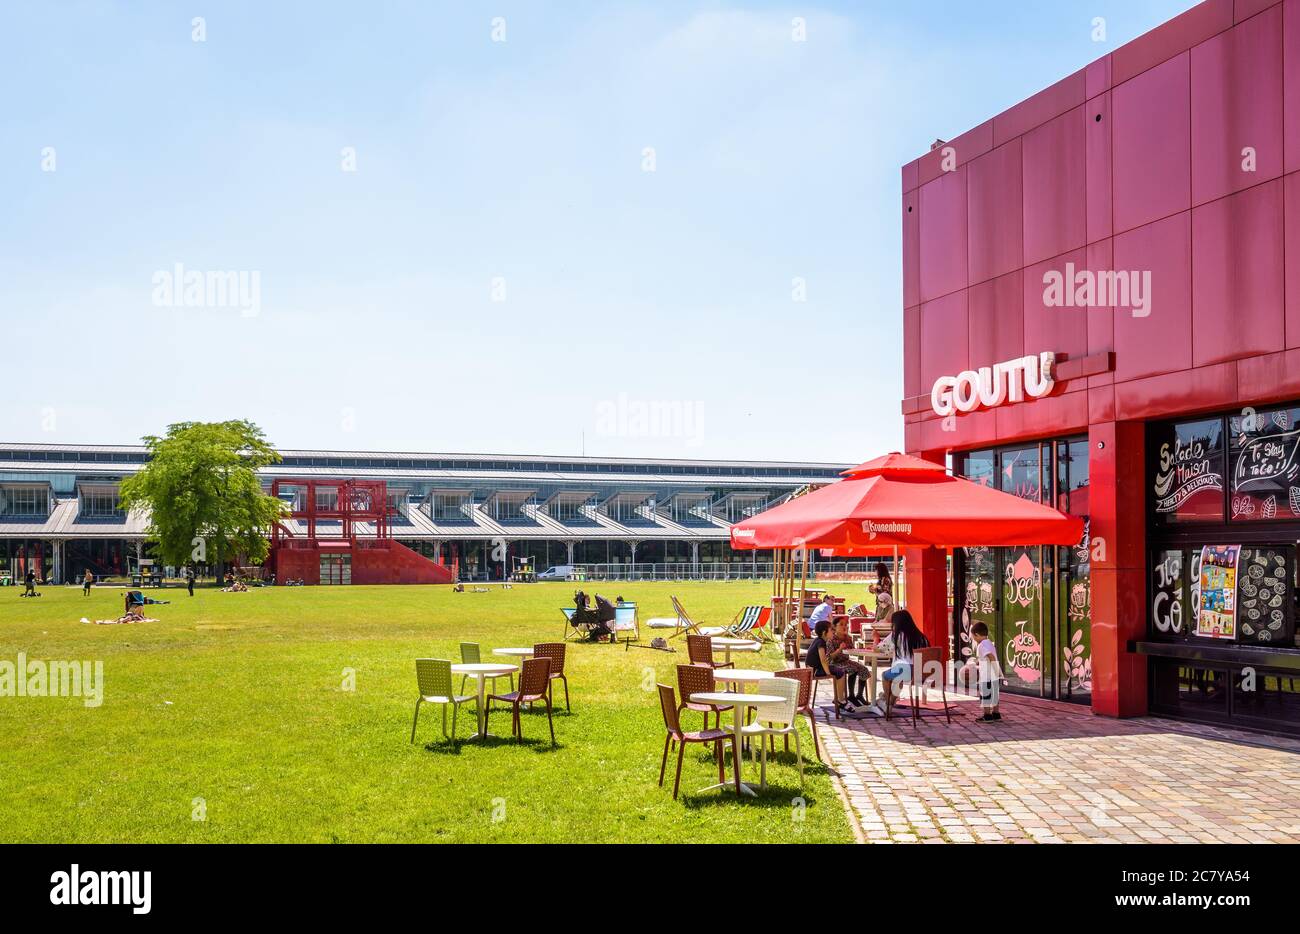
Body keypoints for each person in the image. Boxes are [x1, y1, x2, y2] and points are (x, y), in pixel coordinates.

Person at [870, 609, 928, 717]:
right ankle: (890, 702)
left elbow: (878, 649)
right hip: (921, 672)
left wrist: (875, 638)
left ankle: (887, 703)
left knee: (885, 676)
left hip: (905, 669)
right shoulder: (921, 636)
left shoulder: (897, 635)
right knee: (897, 680)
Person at [805, 618, 854, 714]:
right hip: (814, 671)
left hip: (814, 669)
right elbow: (823, 660)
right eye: (831, 629)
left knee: (839, 671)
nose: (833, 631)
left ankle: (840, 699)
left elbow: (824, 660)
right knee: (840, 672)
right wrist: (828, 674)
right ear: (824, 633)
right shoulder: (821, 643)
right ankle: (840, 699)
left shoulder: (819, 640)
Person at [827, 616, 871, 708]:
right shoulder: (831, 639)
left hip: (846, 661)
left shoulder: (848, 638)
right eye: (841, 625)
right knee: (853, 669)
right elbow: (830, 657)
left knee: (864, 669)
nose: (844, 627)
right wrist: (839, 649)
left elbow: (851, 650)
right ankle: (851, 696)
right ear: (834, 627)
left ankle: (859, 695)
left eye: (846, 625)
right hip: (835, 663)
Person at [970, 622, 1005, 723]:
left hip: (987, 676)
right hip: (994, 675)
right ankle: (996, 713)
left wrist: (995, 668)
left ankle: (987, 715)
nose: (973, 639)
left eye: (973, 637)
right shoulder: (989, 643)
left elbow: (991, 657)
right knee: (995, 695)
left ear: (976, 634)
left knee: (985, 695)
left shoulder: (981, 645)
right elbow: (986, 657)